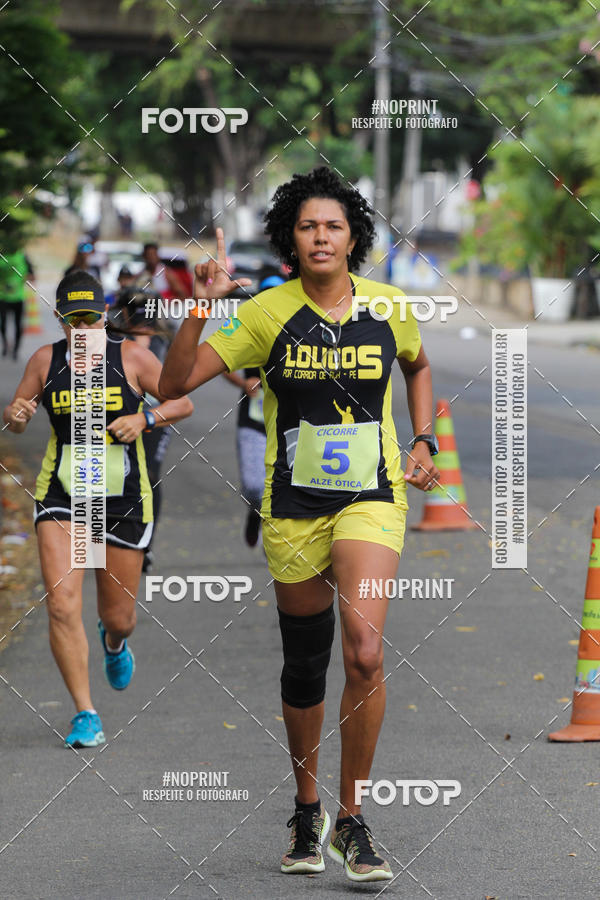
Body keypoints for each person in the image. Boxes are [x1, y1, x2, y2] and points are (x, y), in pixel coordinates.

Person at [159, 167, 440, 883]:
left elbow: (419, 365)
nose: (321, 236)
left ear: (354, 238)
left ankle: (353, 817)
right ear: (291, 236)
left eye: (334, 225)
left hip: (371, 498)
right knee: (306, 663)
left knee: (367, 652)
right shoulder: (264, 313)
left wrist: (423, 439)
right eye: (309, 226)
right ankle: (307, 807)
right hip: (294, 509)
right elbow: (172, 387)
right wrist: (201, 307)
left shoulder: (388, 305)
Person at [2, 270, 193, 749]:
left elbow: (183, 402)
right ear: (59, 319)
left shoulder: (130, 356)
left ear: (105, 315)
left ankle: (115, 642)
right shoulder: (47, 360)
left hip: (123, 499)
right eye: (73, 319)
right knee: (63, 605)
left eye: (91, 317)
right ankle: (85, 712)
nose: (83, 328)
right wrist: (17, 415)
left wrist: (144, 416)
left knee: (119, 616)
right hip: (64, 498)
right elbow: (18, 414)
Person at [222, 275, 285, 549]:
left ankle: (275, 538)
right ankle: (254, 510)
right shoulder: (244, 327)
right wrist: (243, 382)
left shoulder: (297, 328)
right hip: (253, 416)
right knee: (253, 485)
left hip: (288, 420)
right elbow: (220, 361)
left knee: (282, 484)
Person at [0, 248, 34, 360]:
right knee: (3, 324)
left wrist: (26, 277)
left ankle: (16, 350)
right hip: (3, 297)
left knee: (18, 324)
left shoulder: (22, 256)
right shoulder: (2, 255)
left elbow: (32, 276)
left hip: (18, 298)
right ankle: (5, 345)